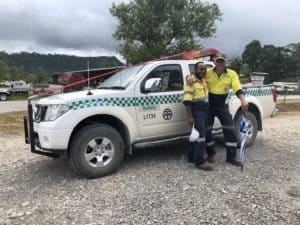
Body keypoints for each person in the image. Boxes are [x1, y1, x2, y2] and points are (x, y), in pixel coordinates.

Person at [187, 53, 248, 166]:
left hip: (222, 105)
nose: (220, 63)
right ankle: (211, 154)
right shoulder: (208, 72)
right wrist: (189, 77)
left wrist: (243, 100)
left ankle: (231, 157)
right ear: (214, 62)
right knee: (207, 130)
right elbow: (197, 76)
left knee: (229, 129)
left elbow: (237, 88)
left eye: (222, 61)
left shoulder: (232, 74)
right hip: (209, 106)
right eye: (218, 61)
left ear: (226, 62)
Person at [183, 62, 213, 171]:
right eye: (201, 69)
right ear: (195, 69)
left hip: (204, 110)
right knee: (201, 135)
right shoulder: (191, 81)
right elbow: (187, 101)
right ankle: (200, 162)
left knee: (195, 135)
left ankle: (191, 157)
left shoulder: (202, 80)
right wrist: (190, 116)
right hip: (196, 110)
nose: (203, 71)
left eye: (204, 70)